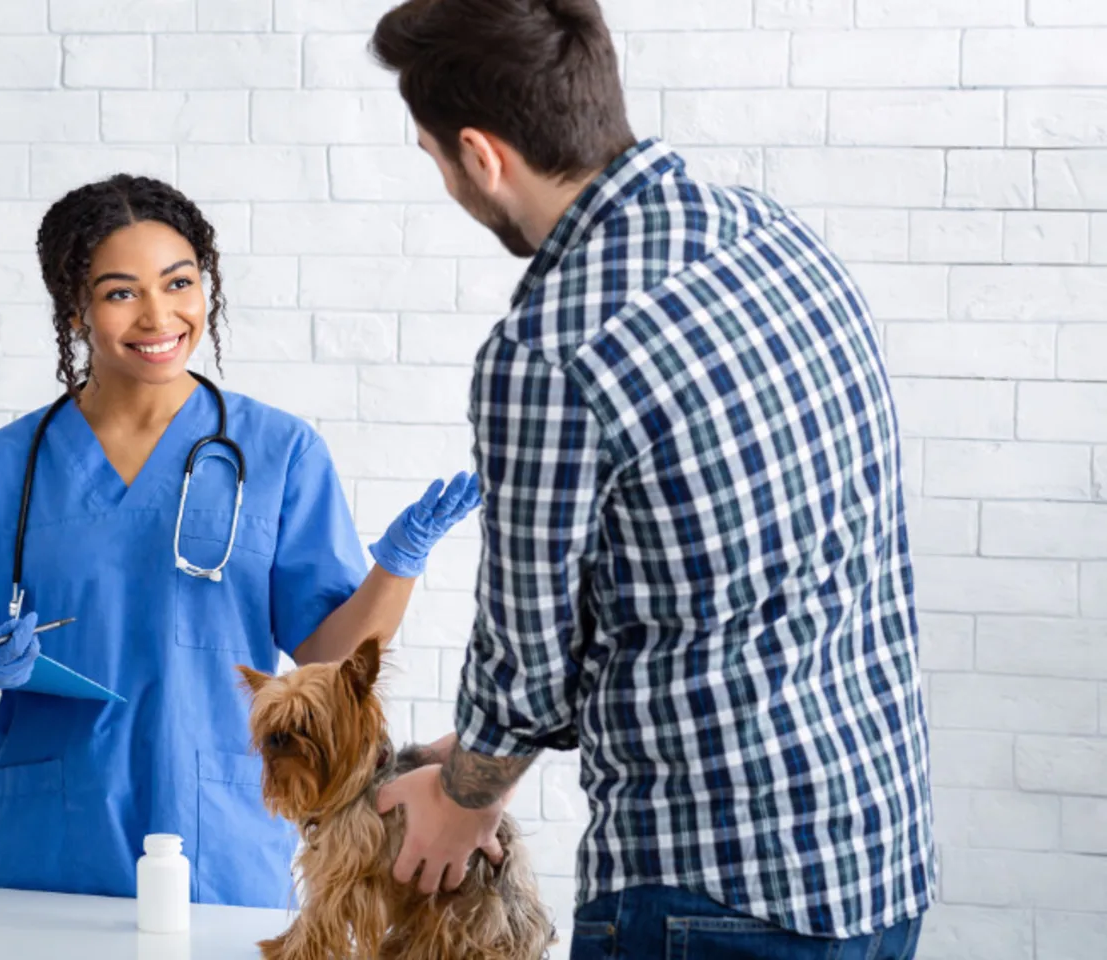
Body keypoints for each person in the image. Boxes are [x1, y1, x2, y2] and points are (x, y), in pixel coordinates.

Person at [367, 2, 935, 959]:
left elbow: (527, 672)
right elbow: (702, 574)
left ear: (482, 153)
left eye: (432, 156)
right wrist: (467, 757)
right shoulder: (771, 237)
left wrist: (463, 798)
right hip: (877, 860)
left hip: (708, 891)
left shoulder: (551, 348)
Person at [0, 173, 480, 910]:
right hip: (47, 847)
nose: (158, 315)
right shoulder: (6, 470)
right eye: (120, 292)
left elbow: (330, 661)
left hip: (222, 843)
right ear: (75, 309)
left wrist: (399, 564)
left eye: (179, 282)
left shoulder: (278, 451)